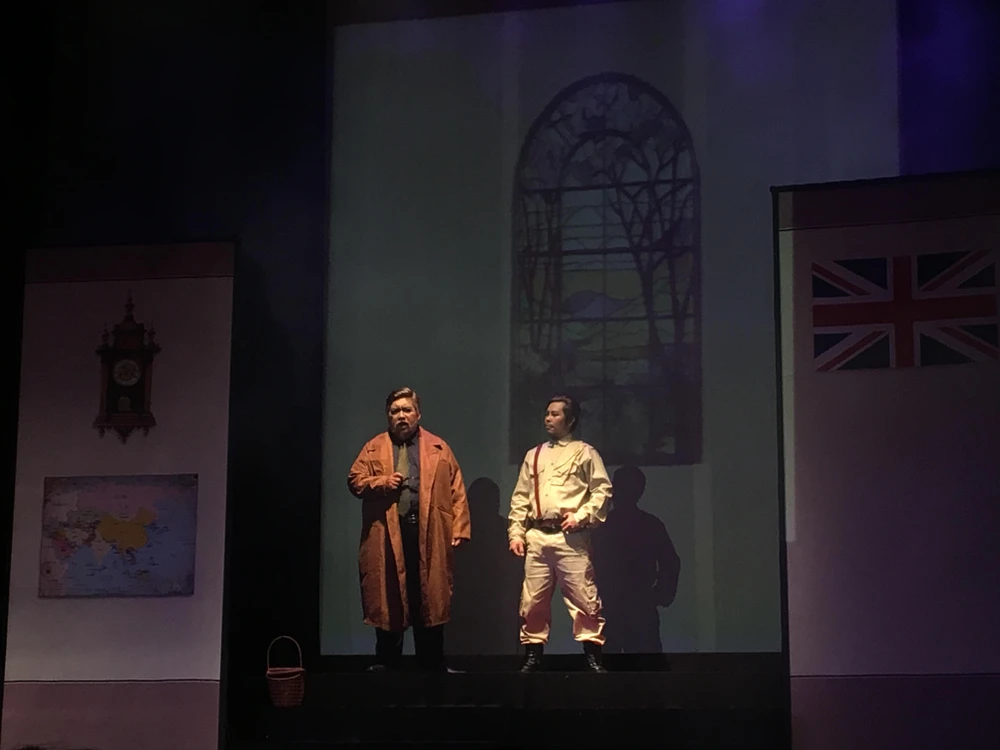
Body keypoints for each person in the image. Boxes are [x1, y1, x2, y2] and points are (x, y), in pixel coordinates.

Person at [348, 387, 471, 671]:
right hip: (387, 534)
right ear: (388, 416)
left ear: (418, 414)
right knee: (389, 595)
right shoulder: (373, 447)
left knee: (429, 596)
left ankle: (432, 665)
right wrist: (382, 483)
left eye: (407, 410)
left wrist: (460, 528)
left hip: (429, 533)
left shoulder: (438, 447)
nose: (401, 416)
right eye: (395, 411)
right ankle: (387, 664)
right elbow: (355, 480)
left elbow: (457, 489)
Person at [508, 394, 612, 673]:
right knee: (533, 600)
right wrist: (516, 533)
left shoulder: (584, 452)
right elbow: (521, 498)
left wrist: (581, 516)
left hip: (571, 539)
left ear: (570, 420)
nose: (548, 419)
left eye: (555, 414)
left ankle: (592, 655)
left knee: (584, 597)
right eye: (547, 413)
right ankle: (533, 654)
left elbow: (602, 490)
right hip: (538, 536)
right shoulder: (534, 455)